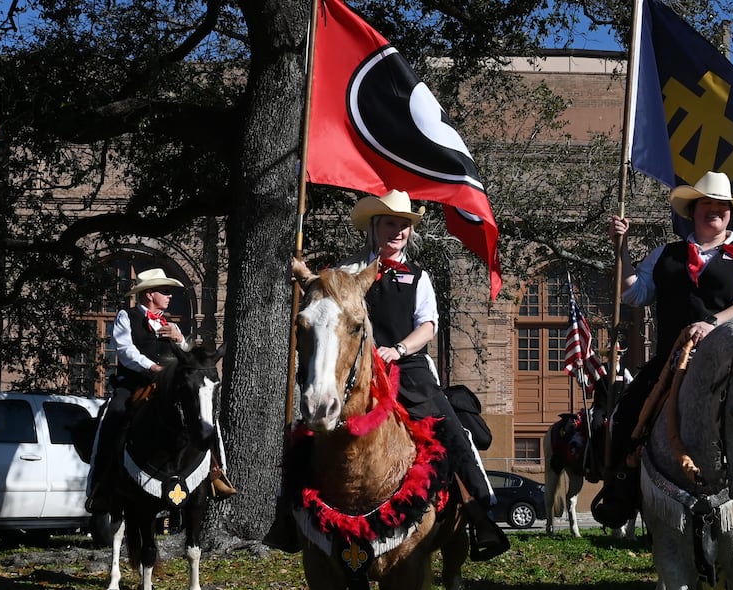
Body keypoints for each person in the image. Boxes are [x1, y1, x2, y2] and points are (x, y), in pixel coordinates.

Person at [273, 191, 509, 561]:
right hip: (352, 370)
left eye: (403, 225)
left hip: (407, 367)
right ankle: (285, 518)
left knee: (450, 429)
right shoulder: (346, 274)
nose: (397, 231)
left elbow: (428, 327)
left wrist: (397, 349)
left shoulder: (419, 278)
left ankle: (480, 511)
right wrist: (303, 277)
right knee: (303, 433)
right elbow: (324, 310)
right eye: (390, 224)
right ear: (374, 228)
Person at [591, 171, 733, 528]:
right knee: (624, 414)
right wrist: (620, 247)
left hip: (730, 363)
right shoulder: (666, 254)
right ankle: (620, 492)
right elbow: (633, 292)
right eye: (706, 206)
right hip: (671, 360)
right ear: (692, 212)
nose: (713, 211)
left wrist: (710, 323)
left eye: (721, 207)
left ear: (730, 214)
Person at [85, 267, 236, 512]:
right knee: (111, 416)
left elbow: (189, 359)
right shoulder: (127, 316)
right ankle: (99, 484)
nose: (170, 296)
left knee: (208, 415)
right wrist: (153, 367)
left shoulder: (169, 324)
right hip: (136, 384)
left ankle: (217, 475)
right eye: (165, 291)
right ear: (149, 294)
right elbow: (126, 351)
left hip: (170, 387)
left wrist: (180, 340)